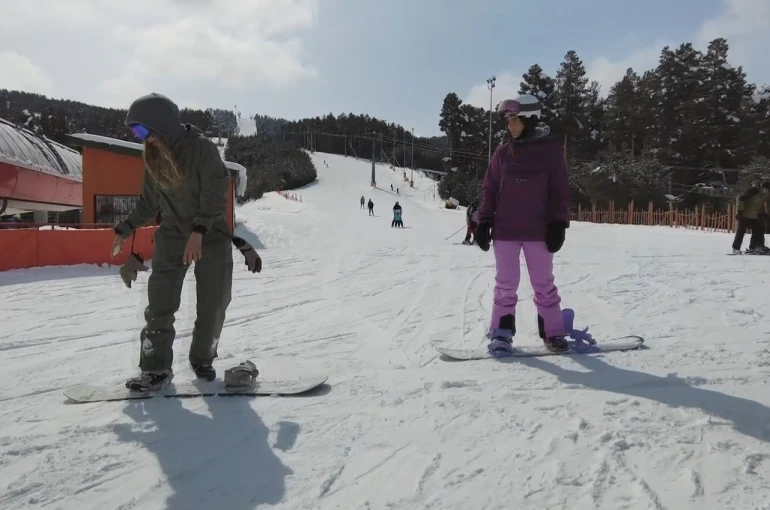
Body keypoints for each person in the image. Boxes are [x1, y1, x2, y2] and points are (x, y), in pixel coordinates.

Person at [111, 92, 261, 392]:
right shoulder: (154, 157)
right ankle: (155, 370)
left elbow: (215, 194)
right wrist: (124, 228)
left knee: (214, 302)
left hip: (211, 235)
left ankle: (202, 359)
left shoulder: (203, 150)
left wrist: (199, 231)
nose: (142, 139)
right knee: (160, 303)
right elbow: (147, 202)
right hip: (172, 236)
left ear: (162, 125)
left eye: (142, 131)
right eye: (135, 133)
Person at [475, 94, 571, 356]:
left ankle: (553, 332)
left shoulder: (550, 150)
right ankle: (501, 333)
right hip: (505, 231)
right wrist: (483, 221)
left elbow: (559, 189)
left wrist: (559, 223)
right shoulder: (502, 153)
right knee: (505, 285)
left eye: (515, 119)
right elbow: (489, 189)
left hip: (538, 231)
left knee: (543, 284)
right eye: (508, 120)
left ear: (530, 119)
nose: (510, 125)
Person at [732, 182, 770, 254]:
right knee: (741, 232)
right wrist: (740, 211)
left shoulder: (762, 196)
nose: (767, 192)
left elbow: (758, 206)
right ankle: (736, 248)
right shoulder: (754, 192)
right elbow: (742, 199)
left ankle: (754, 247)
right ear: (764, 188)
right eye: (767, 189)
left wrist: (763, 214)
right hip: (745, 216)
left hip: (754, 216)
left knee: (758, 230)